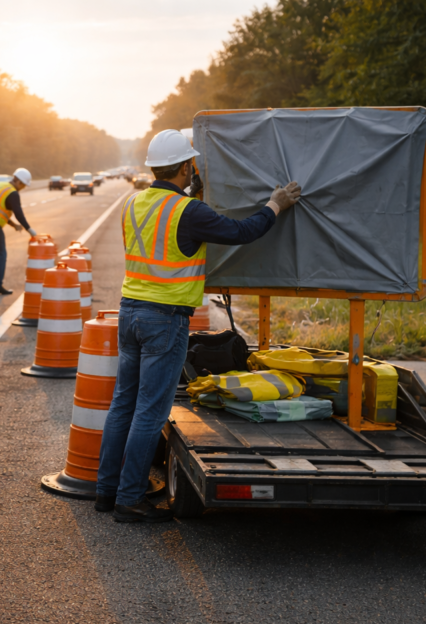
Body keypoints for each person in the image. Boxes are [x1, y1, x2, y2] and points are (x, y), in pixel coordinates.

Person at [96, 129, 301, 523]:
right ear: (187, 167)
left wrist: (194, 195)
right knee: (150, 412)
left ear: (154, 167)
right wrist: (275, 204)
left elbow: (166, 231)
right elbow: (242, 232)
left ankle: (107, 492)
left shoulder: (133, 202)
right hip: (164, 320)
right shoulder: (189, 212)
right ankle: (129, 499)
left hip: (130, 312)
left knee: (123, 404)